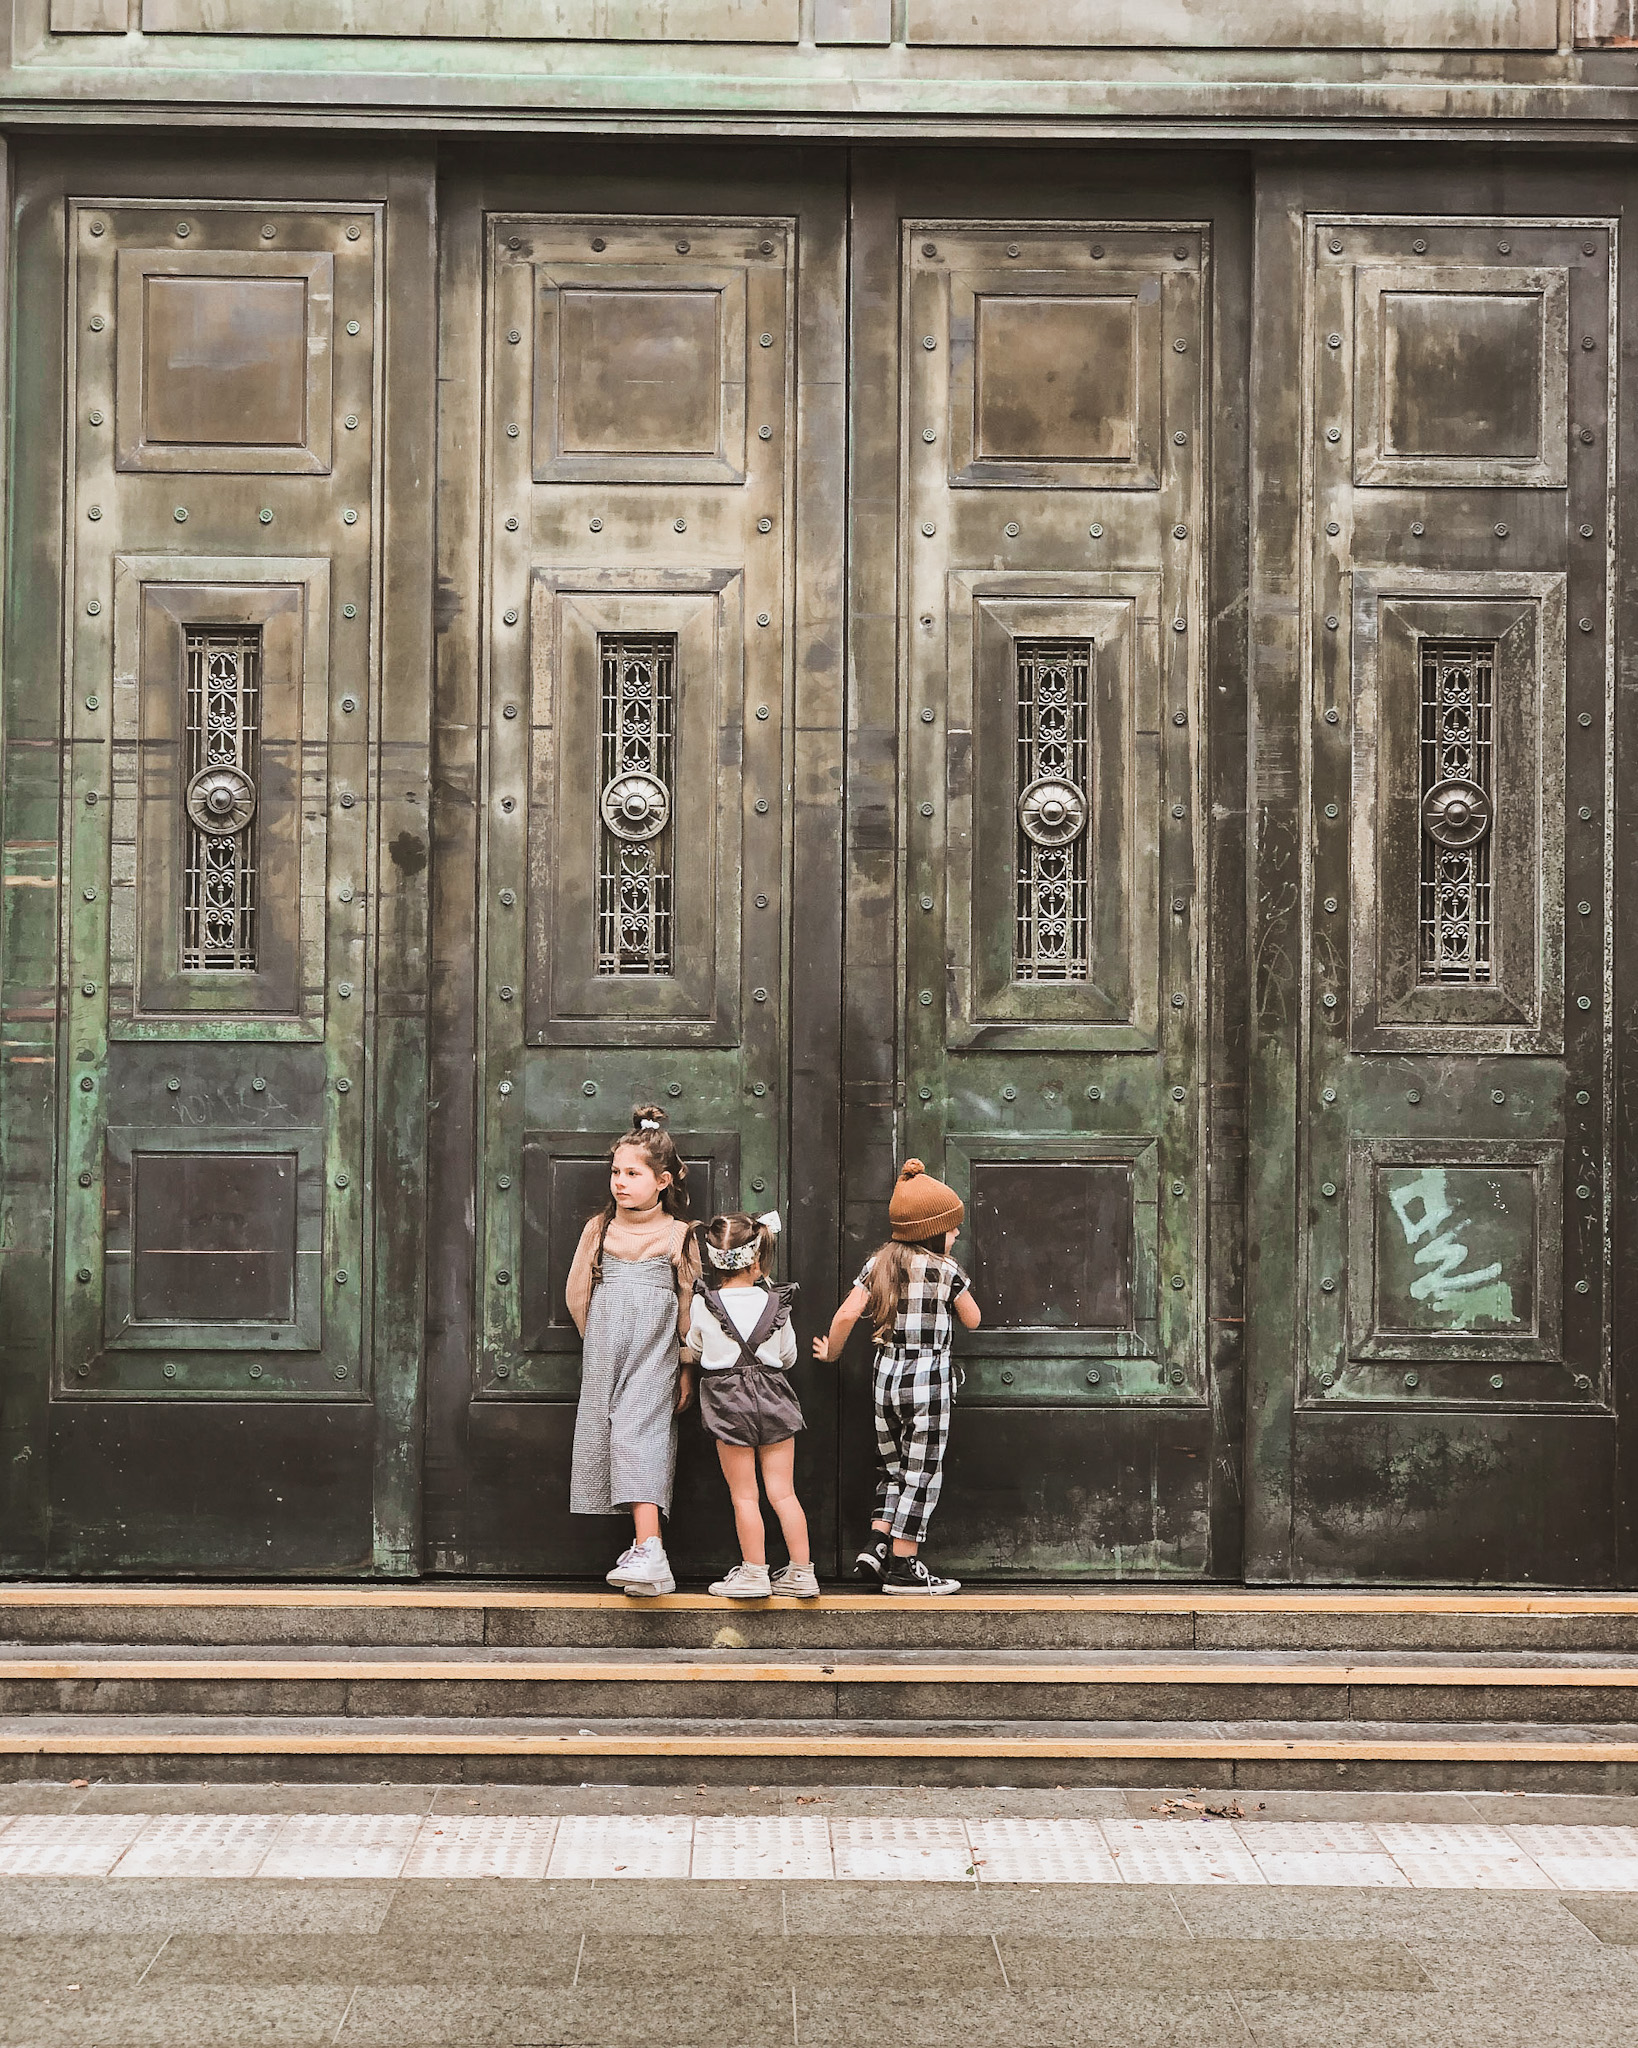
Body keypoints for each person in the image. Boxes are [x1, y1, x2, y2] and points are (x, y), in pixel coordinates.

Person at [812, 1159, 981, 1595]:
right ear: (932, 1231)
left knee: (893, 1466)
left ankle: (877, 1543)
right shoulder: (948, 1272)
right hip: (929, 1377)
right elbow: (974, 1320)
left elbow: (849, 1312)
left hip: (886, 1374)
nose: (956, 1234)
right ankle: (905, 1564)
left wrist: (831, 1351)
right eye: (952, 1228)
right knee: (922, 1470)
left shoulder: (878, 1265)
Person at [564, 1105, 699, 1596]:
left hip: (654, 1353)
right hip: (605, 1351)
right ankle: (643, 1548)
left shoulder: (679, 1235)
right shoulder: (598, 1231)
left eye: (633, 1173)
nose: (620, 1182)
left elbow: (689, 1305)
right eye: (616, 1172)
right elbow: (578, 1293)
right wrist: (597, 1336)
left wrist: (686, 1365)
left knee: (639, 1434)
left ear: (662, 1181)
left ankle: (650, 1548)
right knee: (608, 1434)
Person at [685, 1211, 819, 1601]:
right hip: (774, 1395)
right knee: (783, 1492)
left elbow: (697, 1348)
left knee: (745, 1495)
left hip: (727, 1401)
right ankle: (801, 1572)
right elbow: (789, 1355)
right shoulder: (776, 1304)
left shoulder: (704, 1305)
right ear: (757, 1259)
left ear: (713, 1259)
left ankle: (754, 1572)